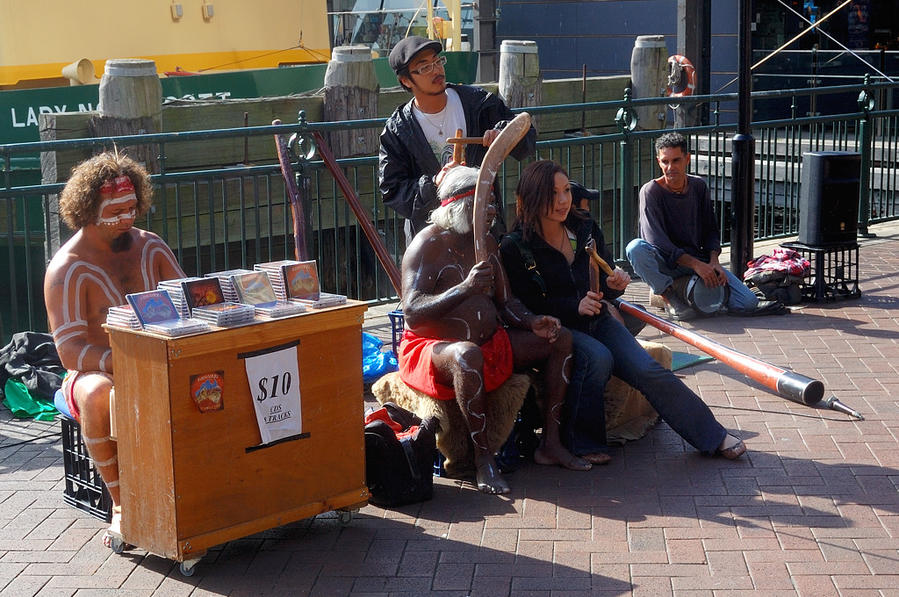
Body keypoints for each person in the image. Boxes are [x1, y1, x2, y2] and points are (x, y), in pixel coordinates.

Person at [499, 160, 746, 462]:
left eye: (565, 190)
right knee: (598, 358)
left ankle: (713, 435)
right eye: (553, 193)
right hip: (556, 330)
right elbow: (523, 304)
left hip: (596, 318)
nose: (563, 200)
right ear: (534, 196)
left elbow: (603, 281)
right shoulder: (515, 247)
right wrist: (571, 306)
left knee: (647, 368)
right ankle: (582, 442)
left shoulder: (584, 228)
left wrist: (615, 285)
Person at [399, 165, 594, 495]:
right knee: (466, 355)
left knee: (560, 339)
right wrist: (464, 288)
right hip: (433, 349)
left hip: (490, 342)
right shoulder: (426, 245)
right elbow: (412, 313)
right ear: (461, 206)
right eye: (484, 204)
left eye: (492, 203)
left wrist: (532, 321)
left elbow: (507, 302)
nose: (492, 211)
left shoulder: (487, 241)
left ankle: (551, 443)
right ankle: (483, 461)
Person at [44, 152, 185, 545]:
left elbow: (189, 301)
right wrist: (124, 363)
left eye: (132, 207)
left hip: (160, 356)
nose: (127, 217)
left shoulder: (151, 247)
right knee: (96, 394)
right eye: (116, 209)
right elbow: (69, 351)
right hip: (95, 372)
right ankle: (123, 504)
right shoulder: (68, 267)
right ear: (88, 210)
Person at [378, 36, 536, 244]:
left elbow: (528, 141)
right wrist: (434, 183)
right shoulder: (397, 130)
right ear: (406, 81)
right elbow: (392, 190)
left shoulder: (478, 102)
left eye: (437, 61)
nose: (436, 70)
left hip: (484, 228)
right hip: (431, 240)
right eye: (424, 67)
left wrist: (504, 135)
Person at [625, 131, 759, 320]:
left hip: (696, 261)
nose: (670, 167)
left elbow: (710, 230)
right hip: (667, 261)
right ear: (658, 162)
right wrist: (696, 265)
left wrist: (713, 263)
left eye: (676, 160)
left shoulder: (698, 186)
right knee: (635, 248)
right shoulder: (650, 191)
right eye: (665, 161)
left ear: (687, 159)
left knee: (748, 302)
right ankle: (668, 296)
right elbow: (656, 241)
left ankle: (684, 290)